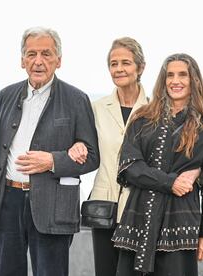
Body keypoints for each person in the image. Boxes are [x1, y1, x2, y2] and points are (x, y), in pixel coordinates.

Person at [0, 26, 100, 276]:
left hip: (53, 207)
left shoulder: (76, 99)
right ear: (22, 60)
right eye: (31, 54)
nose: (38, 61)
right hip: (7, 203)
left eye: (46, 54)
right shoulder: (5, 96)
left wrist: (52, 160)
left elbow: (92, 156)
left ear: (58, 60)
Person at [112, 53, 203, 276]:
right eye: (170, 75)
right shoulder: (142, 119)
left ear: (194, 80)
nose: (175, 81)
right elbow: (130, 168)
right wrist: (171, 182)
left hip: (180, 222)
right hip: (139, 218)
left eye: (183, 75)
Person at [69, 37, 148, 276]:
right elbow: (83, 143)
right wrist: (77, 146)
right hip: (105, 207)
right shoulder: (96, 108)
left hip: (140, 207)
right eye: (114, 64)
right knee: (105, 271)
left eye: (126, 62)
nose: (119, 69)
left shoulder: (154, 109)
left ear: (140, 67)